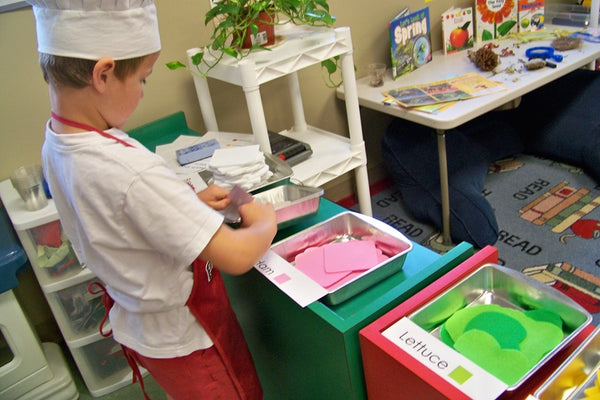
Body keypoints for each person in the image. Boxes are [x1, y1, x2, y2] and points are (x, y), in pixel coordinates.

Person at [26, 1, 277, 399]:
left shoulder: (57, 142)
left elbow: (117, 213)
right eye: (143, 79)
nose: (143, 93)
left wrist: (182, 201)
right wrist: (264, 221)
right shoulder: (130, 171)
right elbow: (236, 255)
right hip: (188, 335)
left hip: (143, 329)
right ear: (104, 74)